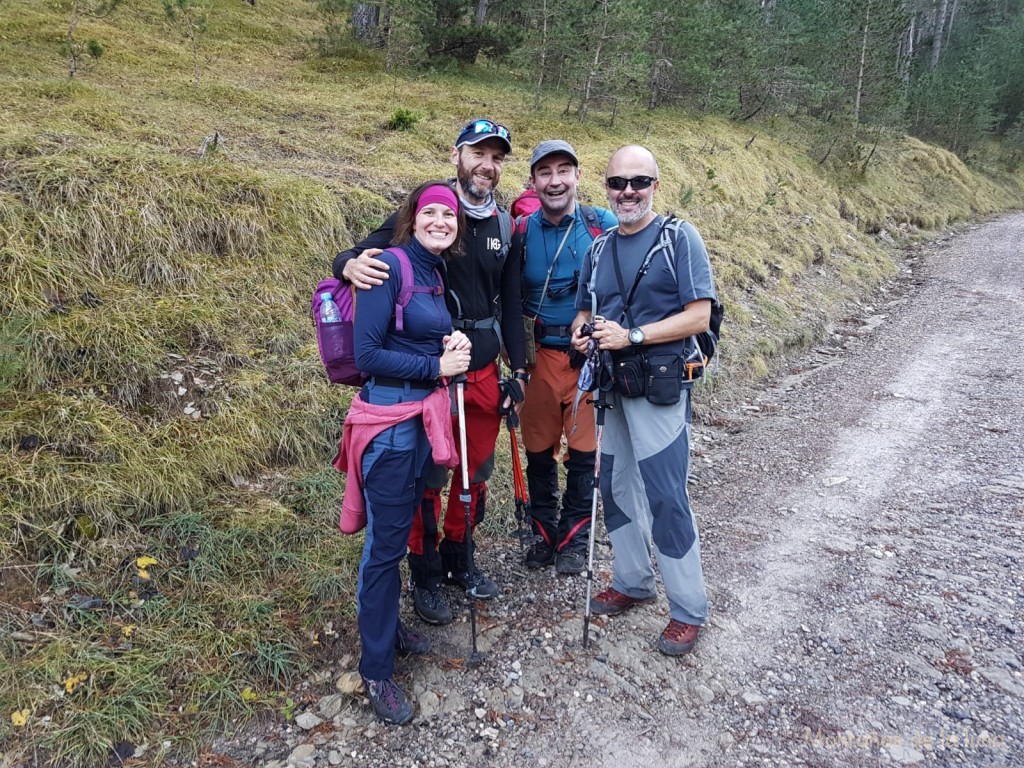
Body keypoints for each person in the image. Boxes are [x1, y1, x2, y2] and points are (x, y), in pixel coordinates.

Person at [333, 119, 527, 626]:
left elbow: (510, 303)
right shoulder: (427, 211)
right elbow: (363, 251)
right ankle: (424, 569)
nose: (487, 164)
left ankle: (461, 559)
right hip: (431, 376)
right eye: (477, 153)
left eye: (496, 157)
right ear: (456, 155)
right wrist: (344, 266)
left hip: (482, 367)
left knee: (474, 472)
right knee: (427, 477)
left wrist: (519, 368)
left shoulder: (504, 226)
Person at [570, 145, 716, 656]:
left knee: (666, 494)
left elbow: (699, 315)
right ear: (605, 188)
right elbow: (585, 313)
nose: (627, 191)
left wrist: (632, 336)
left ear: (655, 185)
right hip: (612, 388)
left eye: (639, 182)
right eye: (617, 183)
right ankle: (632, 581)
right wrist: (582, 334)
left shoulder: (679, 238)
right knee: (614, 486)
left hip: (659, 388)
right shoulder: (598, 248)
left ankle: (688, 608)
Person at [336, 181, 472, 724]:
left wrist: (451, 342)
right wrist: (435, 369)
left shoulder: (434, 272)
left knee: (398, 531)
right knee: (385, 548)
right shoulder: (387, 266)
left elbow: (415, 337)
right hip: (390, 427)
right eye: (431, 211)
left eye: (450, 214)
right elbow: (367, 354)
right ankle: (375, 669)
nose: (441, 220)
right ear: (412, 217)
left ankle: (388, 631)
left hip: (419, 423)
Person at [514, 140, 617, 574]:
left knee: (582, 452)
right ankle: (543, 533)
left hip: (586, 360)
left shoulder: (602, 224)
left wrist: (596, 324)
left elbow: (621, 284)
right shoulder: (518, 231)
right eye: (545, 173)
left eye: (563, 171)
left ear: (577, 176)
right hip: (536, 358)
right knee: (538, 450)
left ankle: (574, 539)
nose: (555, 181)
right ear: (533, 181)